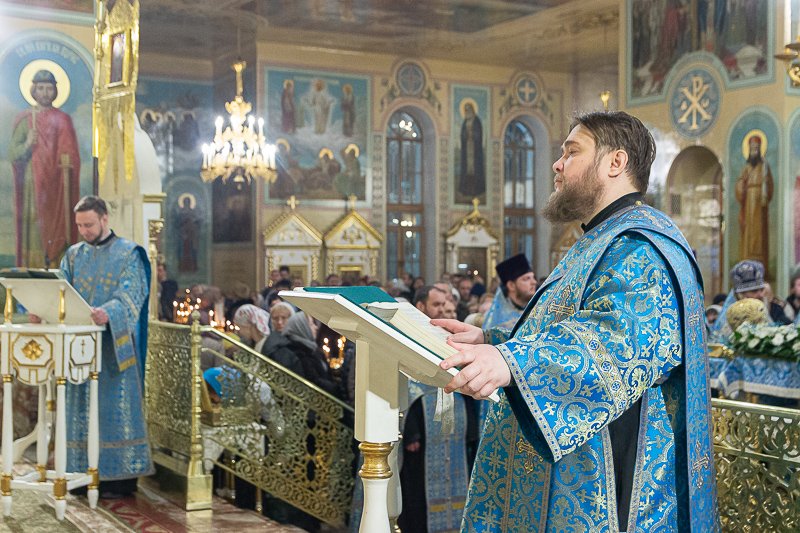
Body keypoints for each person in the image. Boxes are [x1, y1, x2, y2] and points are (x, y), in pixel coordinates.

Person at [434, 111, 718, 531]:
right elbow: (566, 324)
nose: (557, 164)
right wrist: (492, 340)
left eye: (571, 152)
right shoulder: (602, 237)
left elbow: (617, 344)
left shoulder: (641, 246)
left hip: (608, 475)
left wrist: (510, 361)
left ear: (615, 163)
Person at [60, 196, 153, 498]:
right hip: (79, 350)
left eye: (88, 224)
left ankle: (118, 479)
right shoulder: (73, 255)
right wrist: (45, 308)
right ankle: (79, 473)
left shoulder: (129, 254)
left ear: (104, 219)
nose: (84, 231)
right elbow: (61, 289)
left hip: (114, 349)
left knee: (114, 411)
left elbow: (132, 295)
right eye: (79, 226)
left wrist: (109, 312)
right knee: (80, 410)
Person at [9, 69, 81, 268]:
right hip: (33, 182)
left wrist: (68, 160)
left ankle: (56, 264)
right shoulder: (26, 119)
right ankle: (34, 265)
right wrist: (27, 144)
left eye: (49, 88)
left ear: (55, 91)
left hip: (57, 185)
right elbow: (13, 153)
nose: (45, 93)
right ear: (33, 90)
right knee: (34, 223)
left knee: (57, 223)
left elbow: (71, 152)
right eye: (40, 88)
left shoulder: (63, 119)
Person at [711, 259, 792, 343]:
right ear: (741, 295)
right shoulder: (726, 320)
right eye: (754, 291)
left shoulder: (772, 308)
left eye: (761, 289)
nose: (761, 295)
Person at [735, 134, 773, 268]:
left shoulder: (764, 167)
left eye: (756, 148)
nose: (754, 150)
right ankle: (747, 262)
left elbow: (770, 187)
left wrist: (765, 185)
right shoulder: (746, 168)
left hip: (760, 207)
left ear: (760, 149)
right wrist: (742, 186)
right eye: (752, 148)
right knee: (748, 234)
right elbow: (739, 184)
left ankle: (761, 265)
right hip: (748, 206)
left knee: (759, 235)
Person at [482, 253, 537, 331]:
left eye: (533, 277)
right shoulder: (496, 319)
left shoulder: (538, 312)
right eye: (526, 279)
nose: (534, 282)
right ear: (511, 286)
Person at [457, 101, 485, 202]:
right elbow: (462, 135)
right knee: (467, 169)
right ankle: (466, 190)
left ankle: (476, 190)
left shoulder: (476, 121)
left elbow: (479, 134)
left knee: (475, 168)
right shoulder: (465, 122)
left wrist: (473, 134)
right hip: (467, 148)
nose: (467, 112)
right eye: (465, 110)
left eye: (468, 110)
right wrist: (466, 135)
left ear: (472, 110)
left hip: (475, 149)